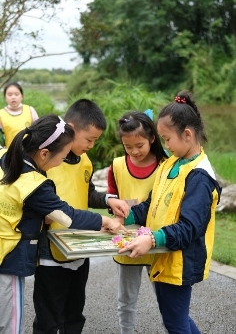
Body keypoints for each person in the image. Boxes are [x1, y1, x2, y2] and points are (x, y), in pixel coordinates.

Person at [0, 114, 125, 334]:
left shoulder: (6, 156)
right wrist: (104, 220)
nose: (62, 161)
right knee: (10, 326)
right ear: (45, 153)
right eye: (63, 155)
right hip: (9, 259)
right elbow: (67, 217)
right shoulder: (35, 183)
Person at [119, 91, 222, 334]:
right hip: (164, 256)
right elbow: (151, 206)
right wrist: (127, 215)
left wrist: (153, 238)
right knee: (176, 319)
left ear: (187, 135)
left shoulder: (200, 177)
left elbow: (190, 227)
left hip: (179, 262)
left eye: (167, 139)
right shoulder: (170, 164)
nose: (165, 146)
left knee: (175, 323)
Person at [33, 99, 130, 334]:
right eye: (89, 139)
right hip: (50, 252)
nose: (92, 146)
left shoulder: (85, 161)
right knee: (48, 318)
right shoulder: (46, 161)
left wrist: (108, 200)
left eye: (95, 140)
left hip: (80, 249)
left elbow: (86, 193)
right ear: (71, 129)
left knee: (74, 315)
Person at [107, 111, 168, 334]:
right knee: (126, 300)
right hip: (126, 242)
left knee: (166, 301)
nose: (134, 151)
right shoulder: (117, 166)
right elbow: (111, 197)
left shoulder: (166, 165)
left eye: (139, 145)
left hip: (157, 242)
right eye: (128, 146)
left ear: (152, 138)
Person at [0, 81, 39, 147]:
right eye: (9, 95)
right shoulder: (1, 114)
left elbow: (39, 131)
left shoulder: (30, 110)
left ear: (22, 96)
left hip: (29, 152)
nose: (13, 97)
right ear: (5, 97)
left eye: (16, 94)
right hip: (10, 153)